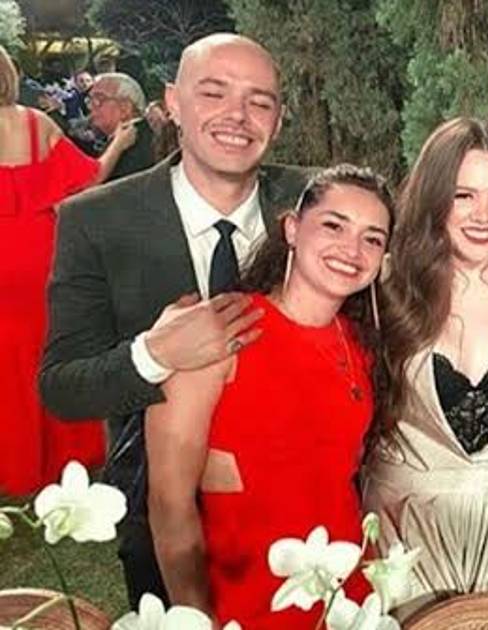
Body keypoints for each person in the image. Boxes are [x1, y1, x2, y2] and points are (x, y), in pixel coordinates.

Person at [39, 33, 307, 607]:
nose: (237, 115)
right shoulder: (97, 220)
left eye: (259, 101)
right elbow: (62, 387)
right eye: (213, 93)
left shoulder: (317, 206)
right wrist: (153, 355)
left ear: (279, 119)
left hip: (305, 516)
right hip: (160, 515)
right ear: (172, 103)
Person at [146, 164, 392, 628]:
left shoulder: (361, 345)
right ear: (292, 229)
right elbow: (169, 504)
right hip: (246, 605)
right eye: (334, 225)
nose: (352, 250)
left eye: (372, 239)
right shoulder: (218, 333)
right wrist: (196, 617)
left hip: (350, 601)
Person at [361, 117, 488, 620]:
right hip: (404, 534)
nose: (483, 215)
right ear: (433, 198)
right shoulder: (383, 290)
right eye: (463, 195)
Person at [0, 44, 136, 496]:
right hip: (40, 255)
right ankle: (64, 460)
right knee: (48, 351)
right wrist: (119, 144)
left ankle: (15, 466)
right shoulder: (36, 124)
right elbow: (88, 181)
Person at [87, 72, 157, 181]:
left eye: (99, 99)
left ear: (125, 108)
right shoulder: (139, 135)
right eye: (90, 100)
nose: (90, 106)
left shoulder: (135, 146)